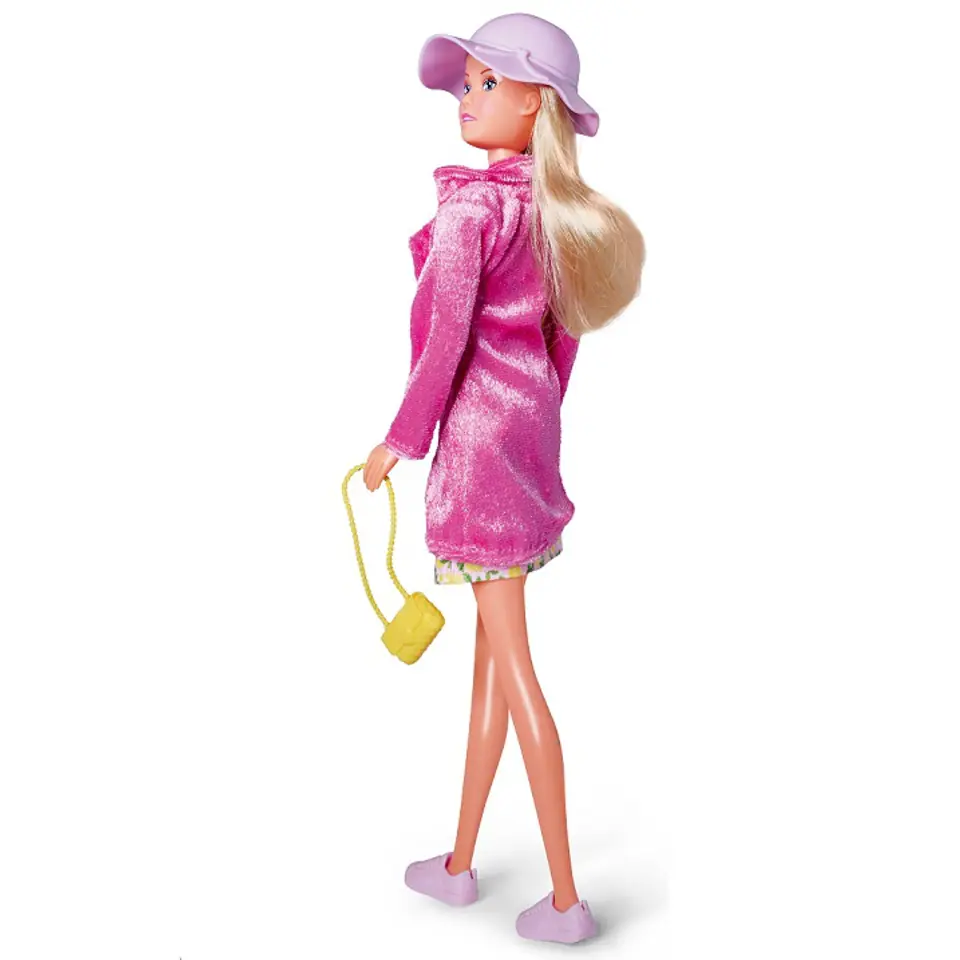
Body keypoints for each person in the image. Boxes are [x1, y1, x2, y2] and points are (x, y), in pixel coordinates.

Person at [361, 12, 644, 945]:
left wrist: (401, 441)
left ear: (537, 103)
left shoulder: (474, 210)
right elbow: (565, 340)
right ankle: (459, 863)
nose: (465, 98)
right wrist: (539, 417)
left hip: (482, 458)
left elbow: (442, 341)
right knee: (490, 666)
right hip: (524, 446)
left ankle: (564, 900)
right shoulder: (551, 214)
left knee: (515, 672)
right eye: (467, 83)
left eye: (487, 83)